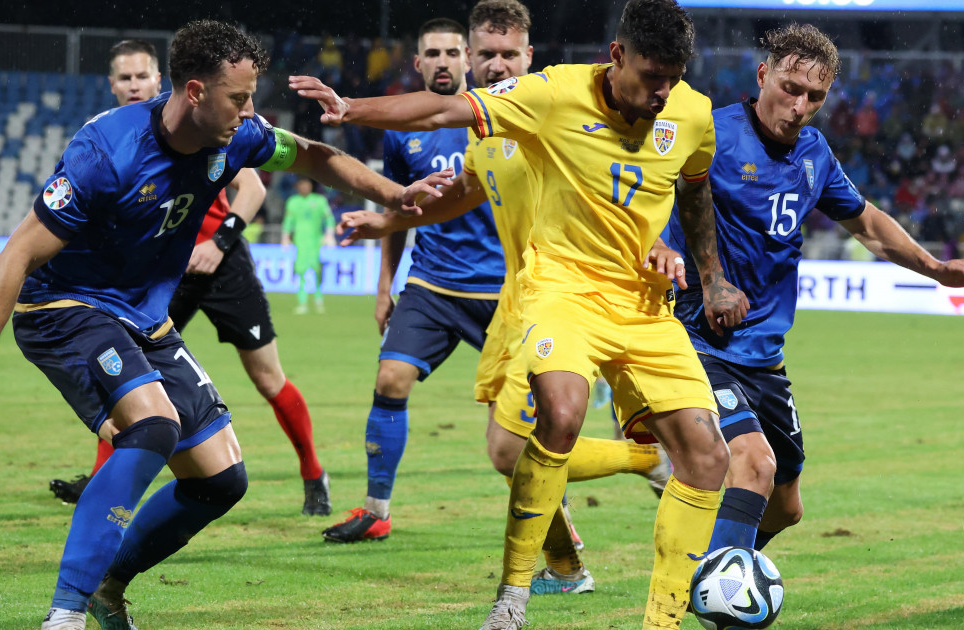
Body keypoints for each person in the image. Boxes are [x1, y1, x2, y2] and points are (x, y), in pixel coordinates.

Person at [0, 20, 450, 630]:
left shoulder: (238, 137)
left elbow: (316, 157)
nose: (250, 111)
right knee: (152, 425)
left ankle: (109, 586)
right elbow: (16, 255)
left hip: (144, 319)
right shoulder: (105, 152)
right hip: (65, 308)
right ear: (196, 91)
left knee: (222, 479)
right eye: (239, 98)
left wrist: (394, 195)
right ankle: (64, 614)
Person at [291, 1, 748, 626]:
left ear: (527, 56)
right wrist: (379, 189)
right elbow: (453, 169)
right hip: (547, 290)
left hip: (637, 303)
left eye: (673, 77)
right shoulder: (531, 110)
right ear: (617, 58)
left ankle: (642, 600)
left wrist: (703, 272)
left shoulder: (687, 113)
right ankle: (520, 591)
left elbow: (689, 191)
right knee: (530, 433)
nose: (662, 93)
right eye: (651, 78)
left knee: (705, 456)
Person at [658, 23, 964, 559]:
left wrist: (936, 268)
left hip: (764, 355)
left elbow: (867, 224)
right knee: (753, 464)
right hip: (700, 341)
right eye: (790, 88)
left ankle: (716, 562)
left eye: (815, 95)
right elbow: (646, 192)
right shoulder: (712, 134)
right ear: (763, 75)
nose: (799, 105)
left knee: (787, 507)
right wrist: (672, 253)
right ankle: (712, 590)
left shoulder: (813, 154)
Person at [48, 39, 334, 518]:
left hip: (220, 265)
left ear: (162, 81)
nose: (135, 85)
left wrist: (220, 242)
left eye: (143, 76)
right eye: (126, 78)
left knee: (267, 378)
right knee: (126, 380)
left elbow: (252, 185)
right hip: (155, 272)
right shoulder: (110, 141)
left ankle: (313, 473)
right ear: (113, 86)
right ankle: (102, 481)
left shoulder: (203, 124)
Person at [319, 17, 508, 544]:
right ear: (418, 63)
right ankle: (377, 509)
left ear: (468, 58)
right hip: (433, 284)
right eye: (433, 53)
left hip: (504, 288)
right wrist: (385, 286)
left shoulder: (499, 115)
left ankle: (558, 525)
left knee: (513, 428)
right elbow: (398, 210)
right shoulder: (405, 132)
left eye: (453, 52)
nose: (444, 61)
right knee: (390, 379)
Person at [281, 177, 335, 314]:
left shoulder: (319, 200)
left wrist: (329, 235)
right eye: (302, 185)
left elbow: (329, 218)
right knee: (300, 271)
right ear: (297, 186)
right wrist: (285, 238)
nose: (305, 187)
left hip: (316, 242)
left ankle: (318, 299)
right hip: (300, 242)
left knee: (317, 270)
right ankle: (302, 302)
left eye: (307, 184)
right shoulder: (293, 202)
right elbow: (288, 221)